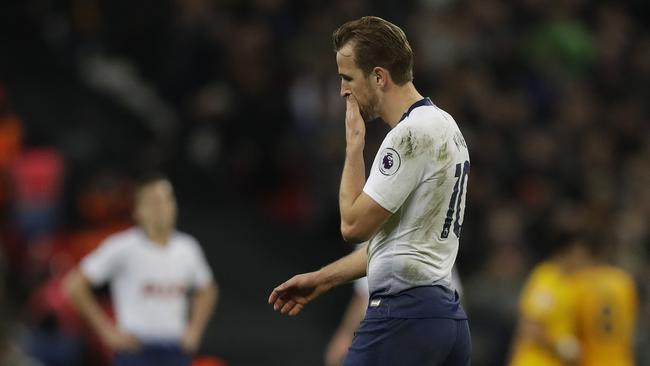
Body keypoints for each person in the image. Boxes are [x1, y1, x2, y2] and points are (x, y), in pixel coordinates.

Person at [269, 16, 471, 365]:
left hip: (403, 316)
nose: (343, 92)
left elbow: (352, 226)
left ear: (378, 77)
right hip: (445, 318)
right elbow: (394, 243)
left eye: (348, 78)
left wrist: (354, 147)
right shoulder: (446, 127)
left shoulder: (408, 136)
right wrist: (324, 279)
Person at [65, 174, 218, 366]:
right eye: (153, 202)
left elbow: (207, 290)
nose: (162, 208)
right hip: (136, 350)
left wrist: (195, 329)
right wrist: (107, 332)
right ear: (138, 211)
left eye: (167, 199)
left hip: (175, 348)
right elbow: (76, 285)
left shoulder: (187, 248)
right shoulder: (122, 247)